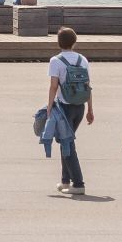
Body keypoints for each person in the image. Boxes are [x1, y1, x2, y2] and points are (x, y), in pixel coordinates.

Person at [43, 27, 94, 196]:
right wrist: (90, 109)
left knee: (68, 144)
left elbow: (53, 86)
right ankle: (65, 181)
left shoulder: (55, 61)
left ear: (59, 42)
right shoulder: (83, 60)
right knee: (66, 142)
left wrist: (49, 107)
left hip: (64, 107)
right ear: (74, 42)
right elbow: (87, 86)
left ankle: (78, 184)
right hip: (80, 107)